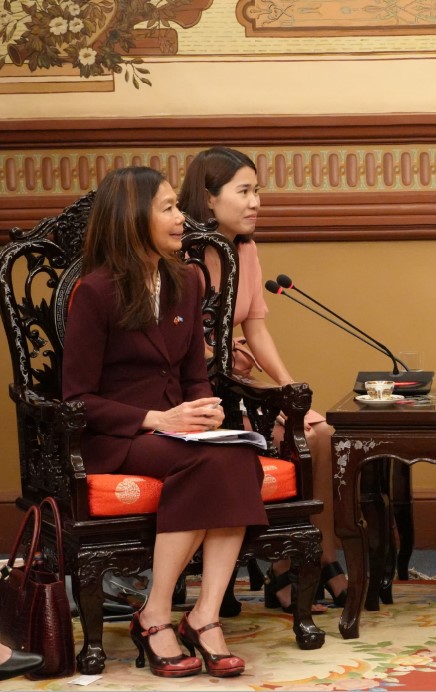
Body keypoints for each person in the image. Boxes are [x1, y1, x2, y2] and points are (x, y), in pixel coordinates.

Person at [63, 166, 265, 678]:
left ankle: (204, 615)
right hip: (119, 438)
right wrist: (156, 418)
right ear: (134, 217)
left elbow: (195, 374)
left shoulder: (187, 281)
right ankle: (155, 614)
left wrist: (206, 409)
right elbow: (77, 399)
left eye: (178, 206)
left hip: (178, 431)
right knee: (207, 462)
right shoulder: (95, 291)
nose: (182, 219)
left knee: (239, 455)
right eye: (169, 208)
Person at [178, 147, 346, 612]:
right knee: (290, 439)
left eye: (258, 191)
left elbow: (256, 328)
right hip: (194, 394)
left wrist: (291, 392)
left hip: (237, 386)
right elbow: (172, 338)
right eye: (244, 192)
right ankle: (290, 570)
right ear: (209, 198)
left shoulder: (245, 249)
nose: (256, 203)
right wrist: (218, 354)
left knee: (320, 433)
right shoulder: (182, 254)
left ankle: (317, 560)